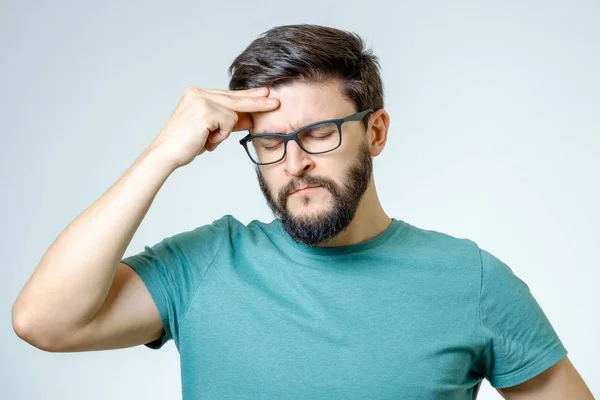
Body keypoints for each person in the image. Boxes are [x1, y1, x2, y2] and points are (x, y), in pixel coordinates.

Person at [12, 24, 594, 399]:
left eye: (318, 133)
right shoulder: (207, 264)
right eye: (270, 143)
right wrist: (162, 154)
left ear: (376, 131)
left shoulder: (472, 279)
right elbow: (45, 322)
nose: (293, 164)